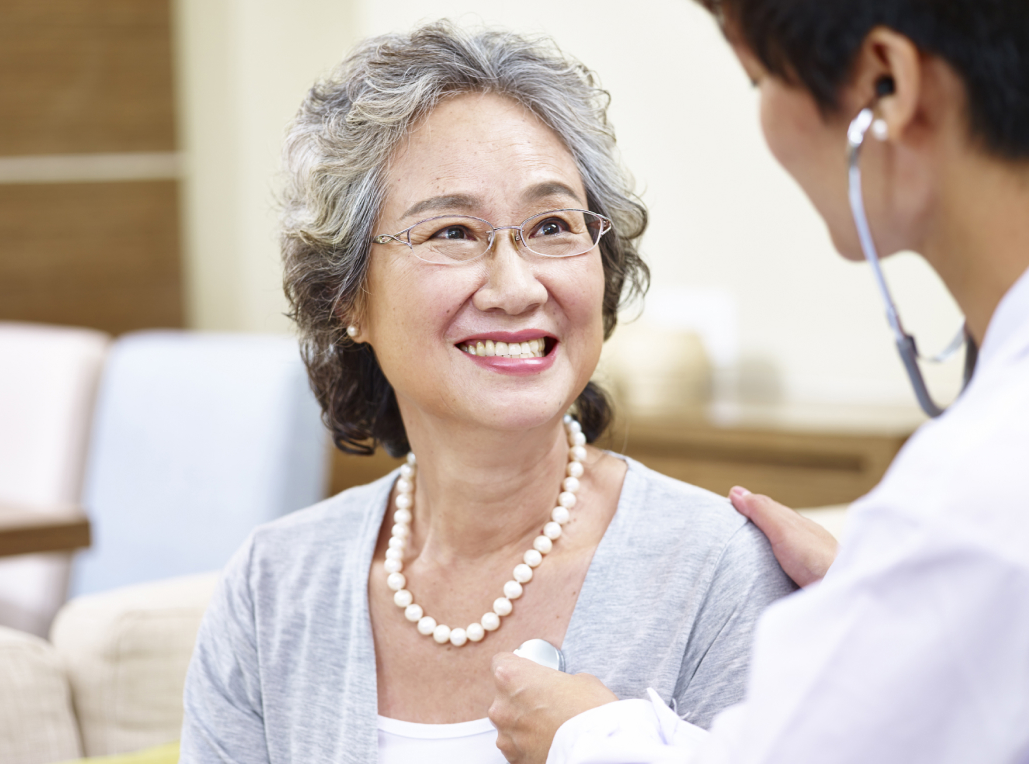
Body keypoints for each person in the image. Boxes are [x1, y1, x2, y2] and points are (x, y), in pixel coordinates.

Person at [488, 0, 1029, 762]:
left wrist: (584, 737)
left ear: (885, 82)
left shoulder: (995, 479)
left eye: (760, 82)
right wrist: (895, 592)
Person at [179, 22, 795, 764]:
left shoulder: (720, 571)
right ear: (348, 298)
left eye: (551, 225)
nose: (515, 285)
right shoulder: (272, 587)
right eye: (452, 233)